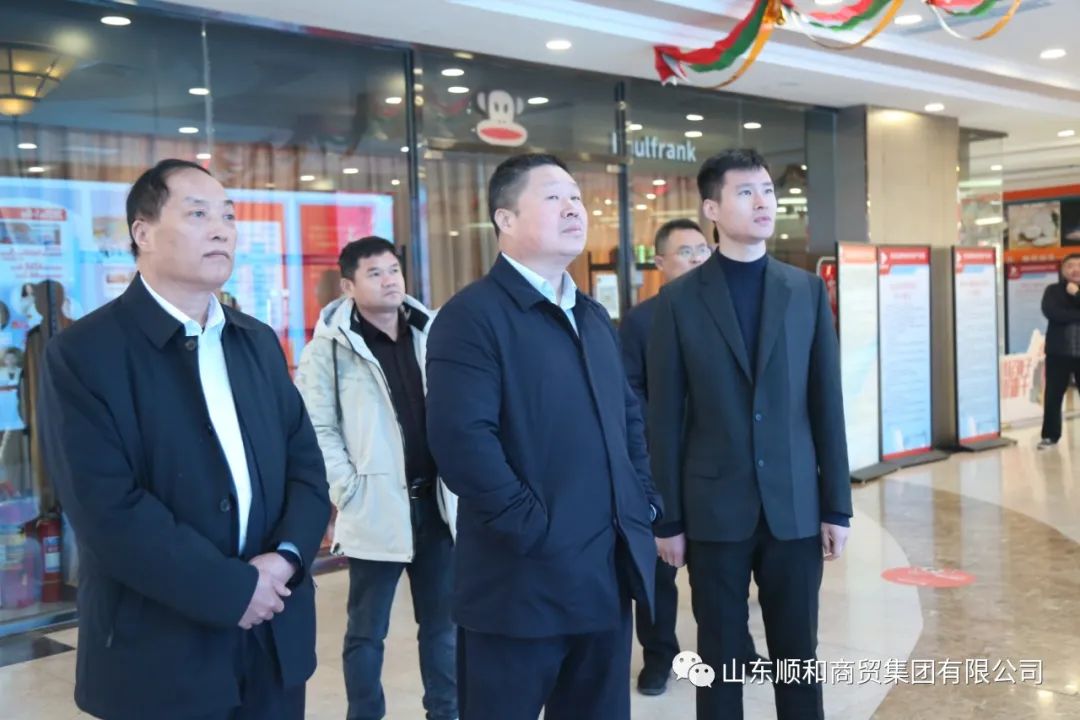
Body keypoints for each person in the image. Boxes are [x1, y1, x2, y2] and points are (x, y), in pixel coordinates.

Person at [39, 159, 330, 720]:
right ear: (142, 232)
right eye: (198, 214)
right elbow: (106, 509)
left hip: (273, 636)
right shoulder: (84, 354)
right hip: (159, 655)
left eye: (229, 216)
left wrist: (286, 559)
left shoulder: (256, 341)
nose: (221, 230)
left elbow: (305, 464)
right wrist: (232, 589)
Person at [425, 152, 662, 720]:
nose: (573, 208)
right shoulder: (471, 317)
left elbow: (628, 419)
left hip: (603, 577)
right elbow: (463, 443)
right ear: (505, 219)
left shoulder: (592, 316)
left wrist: (643, 501)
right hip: (519, 585)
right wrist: (535, 528)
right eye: (554, 197)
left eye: (576, 197)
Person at [648, 149, 852, 720]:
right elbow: (665, 417)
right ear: (712, 208)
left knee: (798, 656)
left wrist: (836, 505)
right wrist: (668, 519)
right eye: (746, 192)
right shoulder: (679, 301)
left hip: (794, 506)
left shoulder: (805, 291)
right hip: (714, 509)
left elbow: (826, 404)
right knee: (719, 659)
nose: (763, 202)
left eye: (768, 190)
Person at [295, 236, 458, 720]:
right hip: (375, 507)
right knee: (367, 632)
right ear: (348, 286)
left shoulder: (432, 332)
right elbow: (317, 428)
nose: (389, 281)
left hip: (437, 504)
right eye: (375, 273)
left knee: (443, 628)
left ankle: (445, 713)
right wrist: (349, 489)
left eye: (393, 270)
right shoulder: (328, 350)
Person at [1038, 253, 1080, 449]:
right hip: (1058, 353)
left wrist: (1076, 295)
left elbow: (1063, 315)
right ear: (1063, 270)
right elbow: (1052, 313)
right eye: (1070, 266)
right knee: (1053, 396)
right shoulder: (1053, 291)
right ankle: (1050, 436)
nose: (1075, 269)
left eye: (1079, 265)